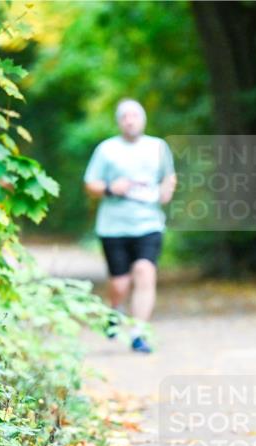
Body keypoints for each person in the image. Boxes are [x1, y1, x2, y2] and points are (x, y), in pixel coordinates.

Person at [84, 99, 177, 354]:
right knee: (120, 284)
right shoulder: (106, 149)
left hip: (148, 223)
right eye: (125, 116)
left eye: (134, 115)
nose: (130, 120)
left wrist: (166, 190)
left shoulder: (158, 147)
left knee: (145, 271)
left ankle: (138, 333)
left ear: (143, 119)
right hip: (113, 226)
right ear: (119, 121)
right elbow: (90, 184)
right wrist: (111, 188)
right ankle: (115, 309)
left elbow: (169, 176)